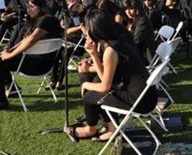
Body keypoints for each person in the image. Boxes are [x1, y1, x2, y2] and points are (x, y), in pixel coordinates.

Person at [65, 9, 158, 141]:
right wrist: (94, 54)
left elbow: (105, 87)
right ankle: (111, 128)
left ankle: (90, 129)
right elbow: (105, 79)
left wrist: (85, 84)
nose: (86, 34)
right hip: (148, 95)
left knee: (89, 95)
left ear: (95, 30)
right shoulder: (122, 36)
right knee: (99, 87)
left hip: (139, 101)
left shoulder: (111, 51)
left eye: (87, 31)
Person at [0, 0, 62, 112]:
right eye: (28, 6)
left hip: (39, 65)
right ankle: (12, 88)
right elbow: (25, 39)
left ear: (41, 7)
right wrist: (10, 49)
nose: (28, 9)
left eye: (32, 7)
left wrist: (11, 55)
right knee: (0, 58)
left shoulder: (46, 20)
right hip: (39, 62)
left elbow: (31, 40)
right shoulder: (41, 19)